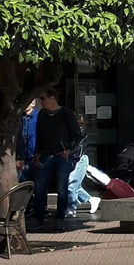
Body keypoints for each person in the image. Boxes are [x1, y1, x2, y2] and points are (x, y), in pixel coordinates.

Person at [29, 90, 83, 229]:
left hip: (61, 156)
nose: (41, 101)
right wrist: (37, 152)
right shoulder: (42, 114)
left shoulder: (66, 114)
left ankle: (60, 218)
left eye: (43, 98)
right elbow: (39, 134)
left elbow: (77, 135)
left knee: (62, 188)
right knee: (40, 188)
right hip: (45, 155)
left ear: (53, 98)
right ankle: (39, 218)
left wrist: (68, 150)